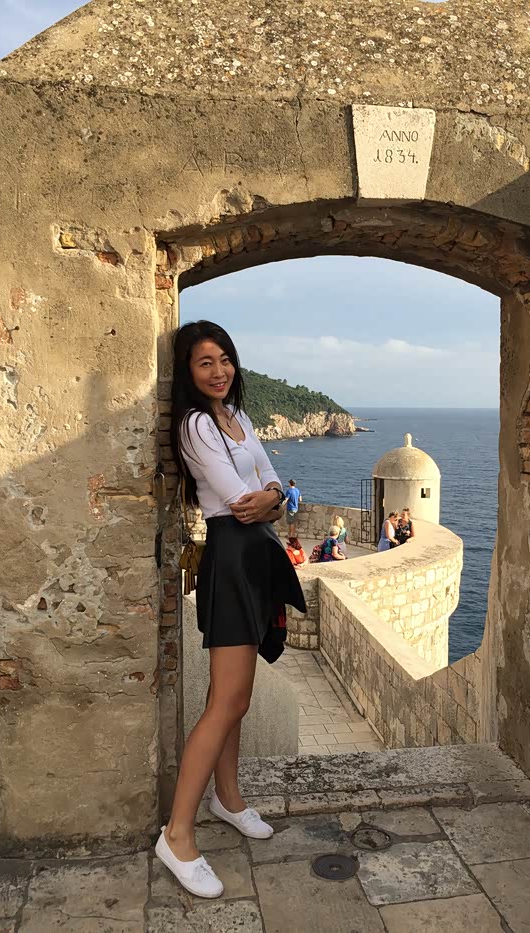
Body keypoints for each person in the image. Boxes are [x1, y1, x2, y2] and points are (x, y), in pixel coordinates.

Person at [160, 320, 306, 899]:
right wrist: (273, 498)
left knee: (233, 696)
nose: (219, 371)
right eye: (205, 362)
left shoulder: (237, 417)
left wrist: (273, 497)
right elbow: (241, 501)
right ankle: (177, 836)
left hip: (256, 556)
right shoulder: (196, 425)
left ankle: (228, 798)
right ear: (188, 371)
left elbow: (275, 489)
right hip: (231, 557)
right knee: (228, 700)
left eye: (224, 359)